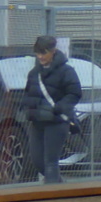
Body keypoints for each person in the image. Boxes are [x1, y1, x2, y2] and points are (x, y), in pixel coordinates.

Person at [23, 35, 81, 183]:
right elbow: (29, 93)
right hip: (37, 122)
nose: (40, 56)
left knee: (50, 162)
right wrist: (29, 111)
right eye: (38, 53)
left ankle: (53, 194)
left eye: (44, 53)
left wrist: (59, 108)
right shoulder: (34, 73)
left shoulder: (66, 71)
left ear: (53, 51)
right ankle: (59, 186)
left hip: (56, 121)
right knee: (37, 160)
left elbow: (75, 93)